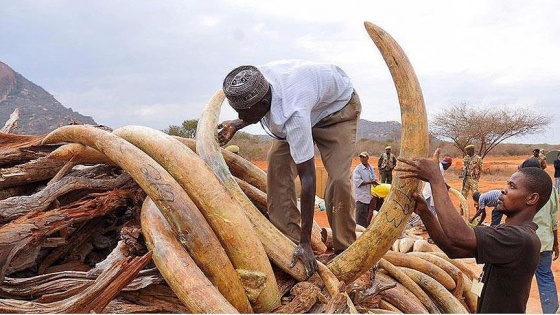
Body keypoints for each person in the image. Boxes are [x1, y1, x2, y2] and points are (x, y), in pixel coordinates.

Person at [218, 60, 361, 277]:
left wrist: (307, 242)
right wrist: (236, 124)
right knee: (277, 166)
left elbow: (308, 179)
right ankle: (286, 243)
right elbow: (255, 111)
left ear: (264, 102)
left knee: (339, 180)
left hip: (337, 112)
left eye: (244, 115)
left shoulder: (292, 113)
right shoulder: (255, 79)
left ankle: (344, 249)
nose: (241, 119)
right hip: (305, 104)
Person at [396, 150, 553, 313]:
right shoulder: (507, 231)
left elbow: (459, 235)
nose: (503, 190)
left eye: (512, 187)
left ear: (532, 199)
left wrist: (436, 179)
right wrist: (425, 213)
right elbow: (453, 249)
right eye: (506, 184)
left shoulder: (520, 239)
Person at [520, 159, 559, 313]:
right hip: (545, 241)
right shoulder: (551, 190)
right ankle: (551, 311)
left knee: (520, 279)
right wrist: (556, 243)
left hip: (524, 241)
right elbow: (554, 217)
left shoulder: (520, 188)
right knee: (545, 277)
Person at [352, 151, 379, 227]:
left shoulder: (370, 168)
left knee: (367, 216)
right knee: (360, 217)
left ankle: (365, 229)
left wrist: (374, 182)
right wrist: (371, 182)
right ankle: (359, 233)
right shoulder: (358, 169)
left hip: (369, 196)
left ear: (367, 158)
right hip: (361, 197)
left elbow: (374, 178)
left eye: (364, 157)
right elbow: (358, 183)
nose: (362, 159)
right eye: (361, 157)